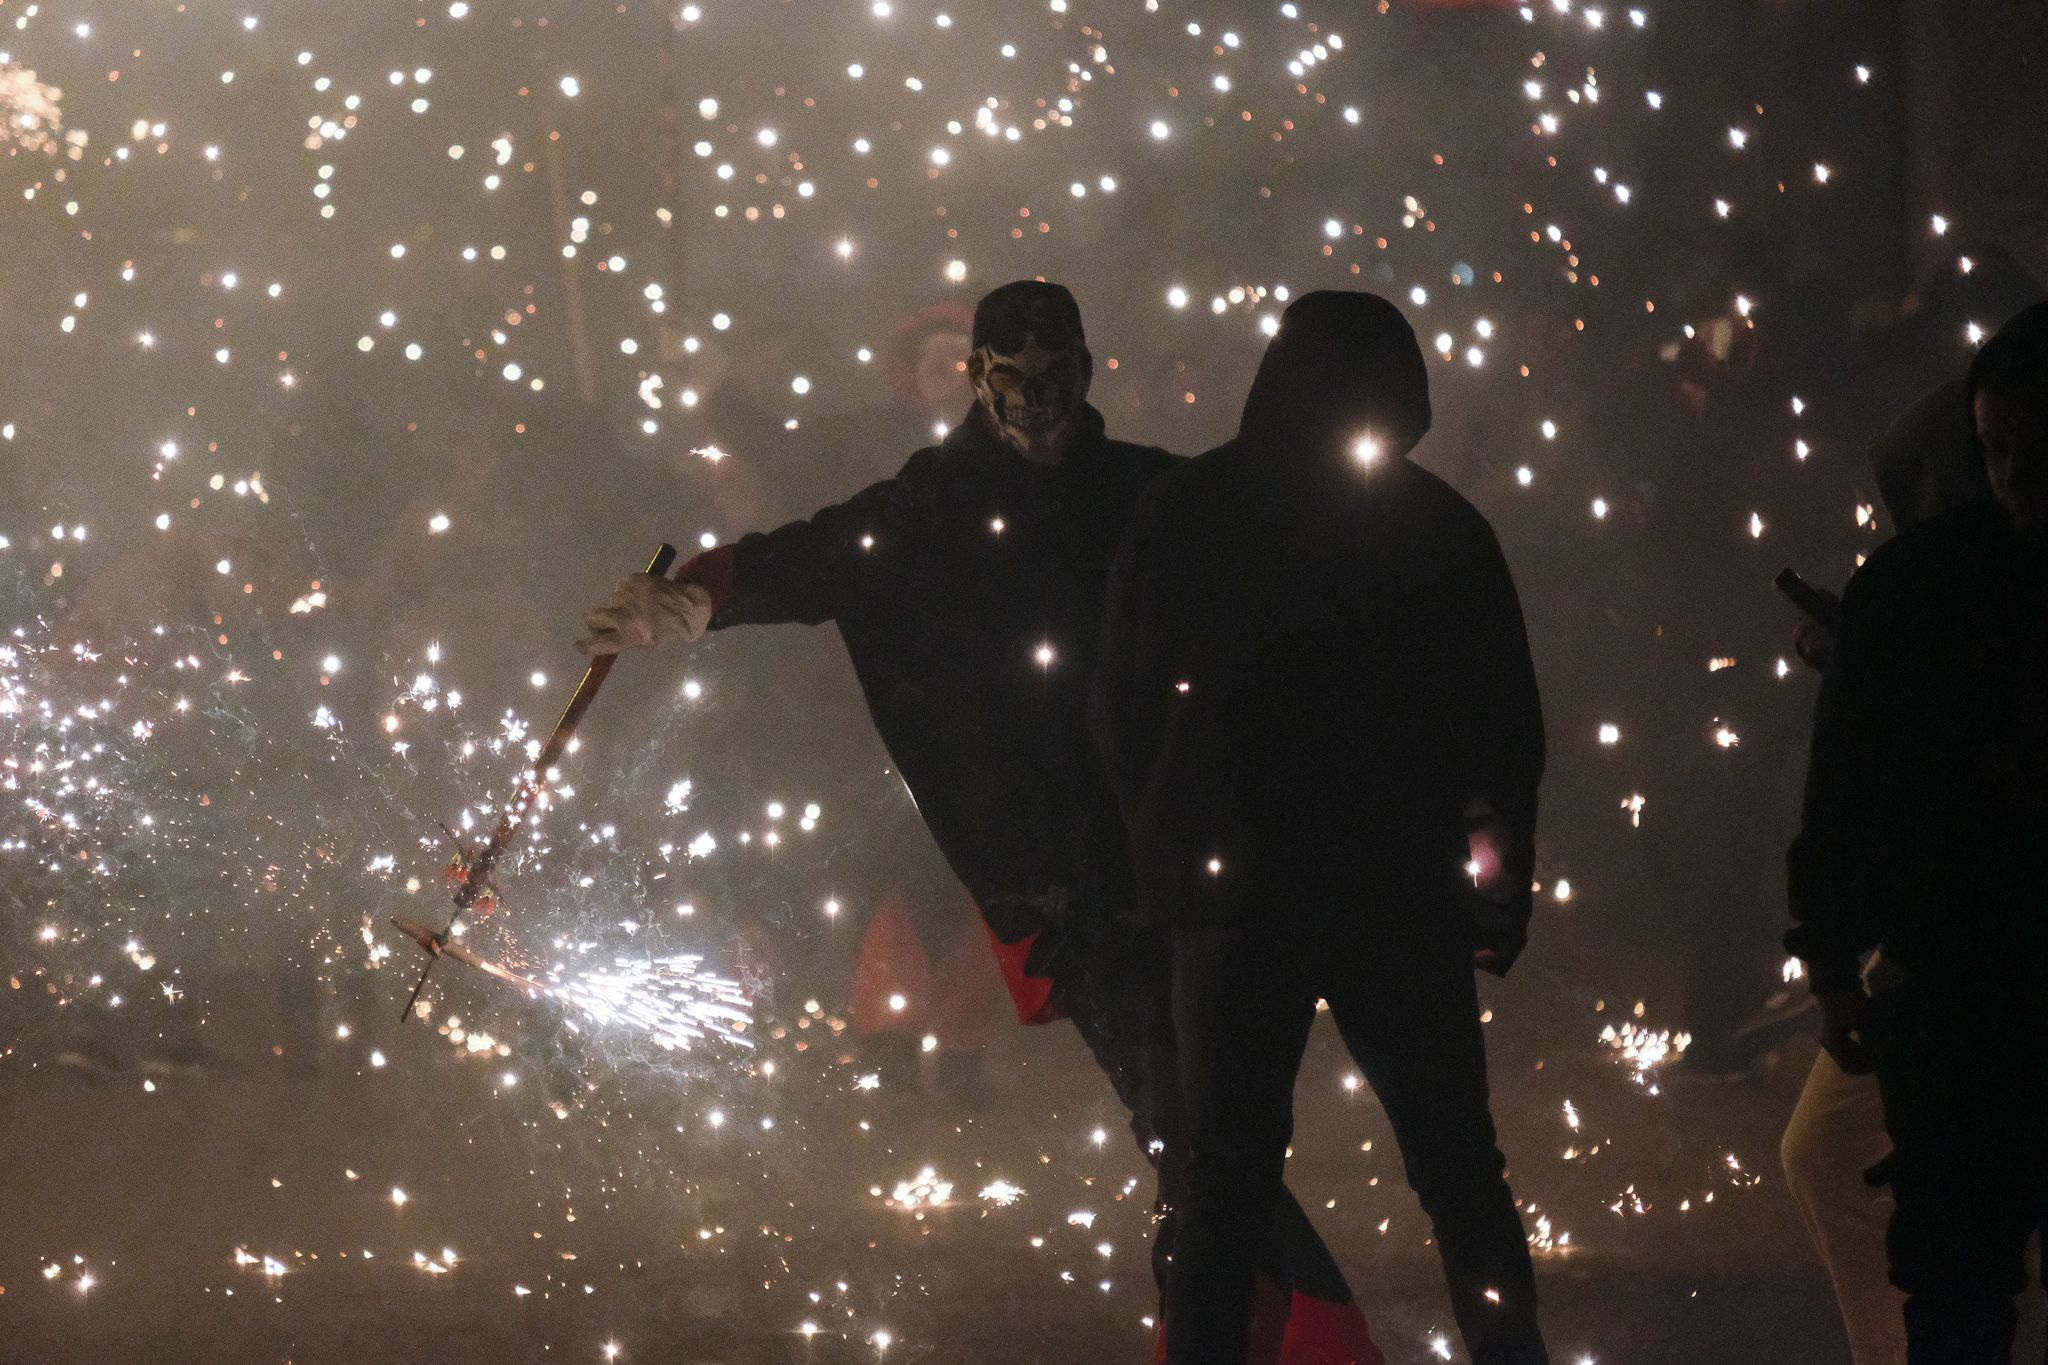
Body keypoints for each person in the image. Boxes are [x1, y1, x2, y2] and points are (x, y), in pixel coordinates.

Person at [579, 280, 1384, 1363]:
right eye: (1016, 383)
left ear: (1088, 373)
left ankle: (1243, 1319)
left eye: (1057, 380)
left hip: (1193, 860)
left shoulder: (1150, 496)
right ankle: (1289, 1334)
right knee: (1193, 1134)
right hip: (1071, 885)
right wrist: (692, 600)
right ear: (979, 382)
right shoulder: (933, 512)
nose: (1040, 404)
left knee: (1209, 1130)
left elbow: (1270, 578)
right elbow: (810, 557)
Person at [1093, 290, 1547, 1365]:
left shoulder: (1182, 511)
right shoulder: (1438, 525)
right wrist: (1499, 883)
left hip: (1234, 894)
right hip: (1396, 890)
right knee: (1454, 1168)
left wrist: (1160, 855)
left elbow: (1121, 707)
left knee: (1224, 1178)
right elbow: (1503, 735)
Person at [1787, 301, 2048, 1363]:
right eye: (1996, 453)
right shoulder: (1914, 586)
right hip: (1954, 990)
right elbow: (1847, 786)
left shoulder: (1912, 589)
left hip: (1955, 985)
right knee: (1950, 1282)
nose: (2016, 478)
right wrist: (1831, 964)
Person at [1779, 379, 1984, 1365]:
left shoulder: (1916, 585)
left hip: (1948, 956)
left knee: (1943, 1250)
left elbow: (1852, 790)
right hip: (1946, 946)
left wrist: (1826, 966)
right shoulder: (1922, 590)